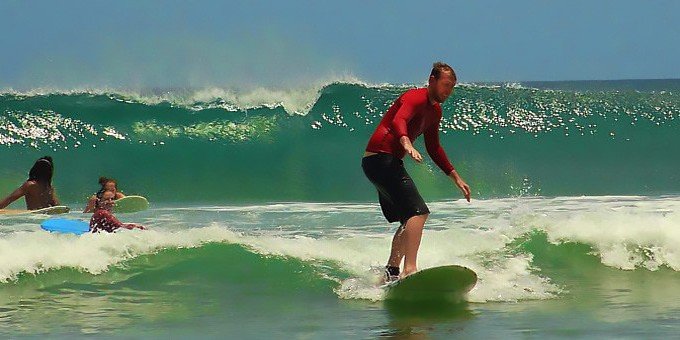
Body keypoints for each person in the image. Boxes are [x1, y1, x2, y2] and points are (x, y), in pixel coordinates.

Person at [361, 62, 471, 282]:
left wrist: (455, 177)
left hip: (379, 163)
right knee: (418, 213)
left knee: (408, 220)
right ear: (432, 80)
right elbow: (398, 120)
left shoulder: (435, 111)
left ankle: (391, 273)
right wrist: (405, 142)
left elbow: (434, 148)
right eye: (445, 85)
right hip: (381, 158)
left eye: (451, 87)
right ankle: (409, 269)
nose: (448, 91)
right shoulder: (415, 97)